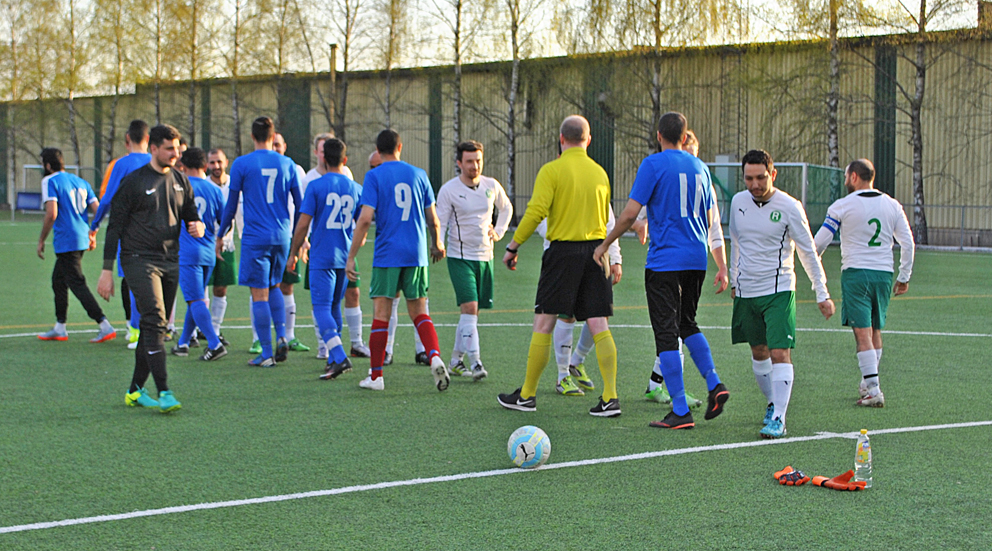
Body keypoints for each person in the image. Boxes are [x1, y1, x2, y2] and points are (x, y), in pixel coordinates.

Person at [595, 113, 728, 430]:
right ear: (685, 136)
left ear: (659, 135)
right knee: (687, 323)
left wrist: (605, 244)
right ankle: (714, 383)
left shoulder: (652, 165)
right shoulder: (702, 169)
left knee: (666, 332)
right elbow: (711, 221)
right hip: (696, 259)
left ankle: (680, 410)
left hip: (665, 261)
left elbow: (628, 214)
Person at [498, 115, 621, 417]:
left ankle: (527, 395)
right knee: (599, 324)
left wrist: (514, 245)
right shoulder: (600, 173)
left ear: (561, 139)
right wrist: (612, 254)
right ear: (588, 139)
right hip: (597, 252)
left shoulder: (551, 170)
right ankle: (610, 397)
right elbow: (608, 219)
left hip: (563, 253)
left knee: (544, 322)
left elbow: (536, 211)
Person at [97, 124, 204, 413]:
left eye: (178, 147)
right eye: (169, 148)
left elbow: (192, 215)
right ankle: (165, 391)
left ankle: (134, 390)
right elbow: (115, 227)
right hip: (137, 260)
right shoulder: (133, 182)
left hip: (171, 260)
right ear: (153, 148)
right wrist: (107, 270)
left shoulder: (182, 180)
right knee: (155, 319)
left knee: (154, 328)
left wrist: (198, 225)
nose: (175, 152)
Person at [728, 149, 834, 438]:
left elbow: (808, 251)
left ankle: (778, 418)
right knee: (758, 352)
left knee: (779, 352)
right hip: (747, 291)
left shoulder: (789, 206)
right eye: (748, 178)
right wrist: (734, 279)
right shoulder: (738, 202)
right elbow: (736, 242)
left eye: (761, 178)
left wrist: (821, 292)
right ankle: (773, 402)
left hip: (779, 290)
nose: (754, 185)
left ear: (772, 174)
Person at [345, 129, 449, 392]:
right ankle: (434, 355)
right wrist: (437, 244)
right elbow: (433, 219)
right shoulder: (419, 174)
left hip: (387, 254)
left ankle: (377, 376)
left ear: (378, 151)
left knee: (382, 313)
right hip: (416, 254)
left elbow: (365, 219)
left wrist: (351, 256)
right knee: (419, 312)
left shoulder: (374, 176)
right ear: (400, 147)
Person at [813, 158, 915, 407]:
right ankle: (867, 381)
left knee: (861, 333)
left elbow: (820, 242)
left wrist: (812, 262)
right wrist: (904, 276)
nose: (846, 181)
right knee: (875, 330)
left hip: (856, 274)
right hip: (883, 274)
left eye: (847, 176)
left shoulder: (842, 206)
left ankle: (874, 390)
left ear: (855, 177)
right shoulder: (892, 205)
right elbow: (908, 243)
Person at [622, 127, 711, 410]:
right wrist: (639, 223)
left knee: (674, 329)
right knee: (676, 329)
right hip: (686, 259)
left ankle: (668, 392)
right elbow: (647, 209)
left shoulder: (684, 170)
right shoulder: (685, 170)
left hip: (674, 260)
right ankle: (678, 395)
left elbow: (713, 225)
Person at [217, 117, 302, 367]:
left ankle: (266, 353)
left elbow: (231, 206)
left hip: (256, 237)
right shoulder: (287, 163)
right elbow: (300, 203)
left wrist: (221, 234)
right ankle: (283, 337)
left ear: (252, 136)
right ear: (272, 135)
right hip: (282, 235)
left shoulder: (242, 164)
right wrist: (300, 236)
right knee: (275, 285)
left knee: (259, 293)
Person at [435, 140, 513, 381]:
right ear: (459, 163)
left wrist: (498, 232)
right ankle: (476, 362)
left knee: (472, 314)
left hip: (485, 257)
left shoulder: (491, 186)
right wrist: (438, 242)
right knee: (470, 308)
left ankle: (456, 361)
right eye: (469, 161)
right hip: (460, 257)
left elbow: (507, 208)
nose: (474, 165)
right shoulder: (449, 190)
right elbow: (441, 221)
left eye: (478, 160)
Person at [289, 138, 363, 379]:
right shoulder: (356, 188)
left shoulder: (316, 186)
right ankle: (333, 357)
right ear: (345, 160)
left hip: (322, 255)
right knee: (333, 307)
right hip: (344, 256)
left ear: (322, 158)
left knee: (321, 307)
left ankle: (339, 356)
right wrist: (353, 254)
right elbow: (363, 225)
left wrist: (294, 251)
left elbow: (302, 224)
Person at [36, 148, 116, 343]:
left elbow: (51, 214)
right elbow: (98, 210)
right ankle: (60, 327)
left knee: (76, 283)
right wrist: (93, 233)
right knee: (58, 280)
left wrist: (41, 240)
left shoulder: (50, 181)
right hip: (81, 238)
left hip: (67, 240)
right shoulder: (81, 182)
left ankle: (104, 324)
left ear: (47, 165)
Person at [91, 119, 151, 349]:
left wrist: (95, 226)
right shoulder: (157, 163)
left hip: (130, 233)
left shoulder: (121, 165)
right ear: (148, 140)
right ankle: (158, 328)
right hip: (156, 231)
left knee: (135, 282)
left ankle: (136, 331)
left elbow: (106, 199)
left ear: (127, 140)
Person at [254, 131, 312, 354]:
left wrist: (303, 239)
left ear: (284, 145)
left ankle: (288, 336)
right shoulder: (257, 166)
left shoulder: (295, 169)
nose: (276, 147)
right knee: (262, 287)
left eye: (279, 144)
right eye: (273, 144)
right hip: (271, 236)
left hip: (287, 236)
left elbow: (302, 207)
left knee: (284, 285)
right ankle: (258, 338)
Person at [171, 147, 227, 361]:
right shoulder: (214, 190)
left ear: (182, 166)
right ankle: (183, 342)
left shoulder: (178, 188)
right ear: (205, 166)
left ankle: (214, 343)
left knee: (195, 300)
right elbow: (225, 221)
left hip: (187, 252)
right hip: (207, 251)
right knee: (196, 298)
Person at [206, 148, 237, 346]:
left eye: (219, 162)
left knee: (221, 289)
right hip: (205, 244)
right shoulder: (203, 185)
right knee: (200, 290)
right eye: (212, 163)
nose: (216, 166)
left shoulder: (234, 184)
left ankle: (215, 331)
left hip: (227, 245)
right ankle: (196, 332)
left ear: (226, 162)